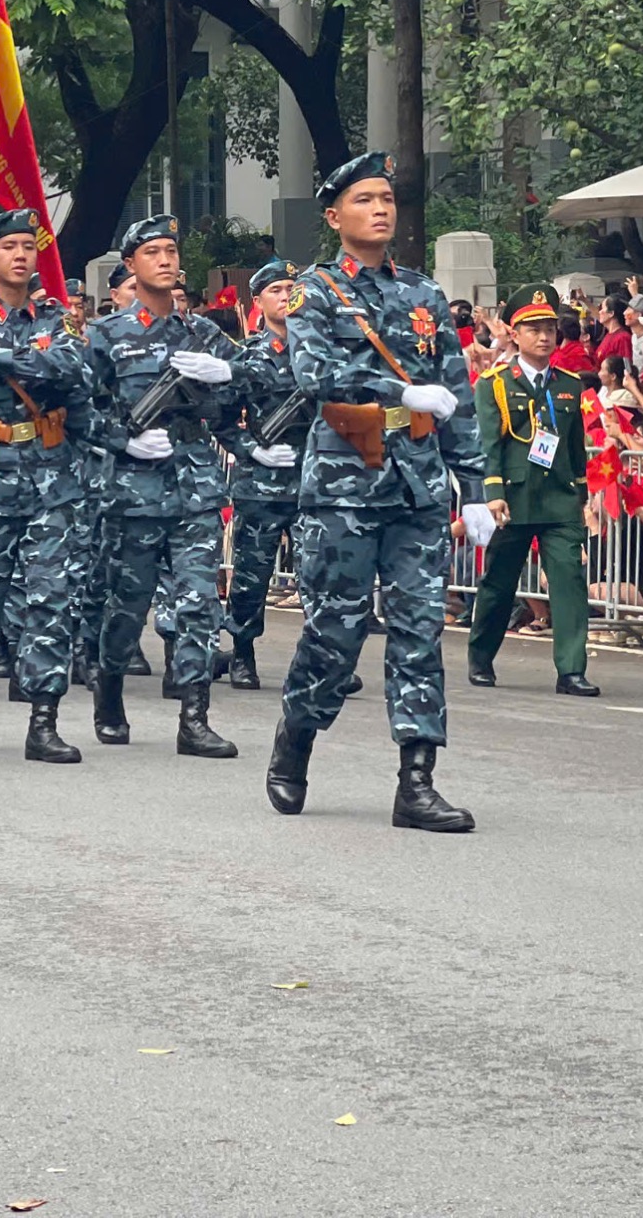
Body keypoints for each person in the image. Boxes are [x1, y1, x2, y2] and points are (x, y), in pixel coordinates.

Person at [266, 151, 487, 829]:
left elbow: (456, 393)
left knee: (420, 631)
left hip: (417, 486)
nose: (381, 209)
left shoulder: (423, 294)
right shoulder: (313, 292)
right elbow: (312, 373)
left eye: (387, 198)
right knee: (335, 633)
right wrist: (398, 389)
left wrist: (474, 486)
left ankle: (416, 782)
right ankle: (296, 737)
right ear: (335, 217)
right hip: (344, 485)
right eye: (365, 200)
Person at [0, 209, 94, 763]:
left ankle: (43, 720)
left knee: (52, 600)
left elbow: (75, 371)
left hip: (51, 477)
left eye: (29, 245)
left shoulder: (56, 317)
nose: (22, 255)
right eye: (9, 247)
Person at [82, 215, 241, 757]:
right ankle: (109, 690)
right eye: (153, 252)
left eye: (172, 251)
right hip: (134, 490)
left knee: (199, 602)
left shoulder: (204, 334)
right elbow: (77, 410)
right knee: (127, 606)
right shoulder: (106, 336)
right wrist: (122, 440)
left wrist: (227, 376)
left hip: (195, 483)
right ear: (131, 265)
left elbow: (253, 381)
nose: (166, 260)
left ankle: (194, 717)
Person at [468, 284, 600, 697]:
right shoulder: (494, 383)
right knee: (499, 582)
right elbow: (489, 444)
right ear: (515, 334)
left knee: (569, 581)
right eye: (534, 329)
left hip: (559, 498)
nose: (544, 337)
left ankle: (571, 670)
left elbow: (576, 448)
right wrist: (492, 491)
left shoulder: (569, 384)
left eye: (550, 329)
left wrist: (581, 496)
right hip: (514, 497)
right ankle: (481, 657)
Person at [224, 260, 304, 692]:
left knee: (321, 577)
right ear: (258, 301)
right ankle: (242, 652)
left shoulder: (318, 354)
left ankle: (322, 661)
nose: (286, 296)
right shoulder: (247, 356)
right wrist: (252, 449)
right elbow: (221, 417)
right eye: (276, 289)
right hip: (261, 485)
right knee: (252, 576)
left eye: (291, 287)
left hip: (312, 482)